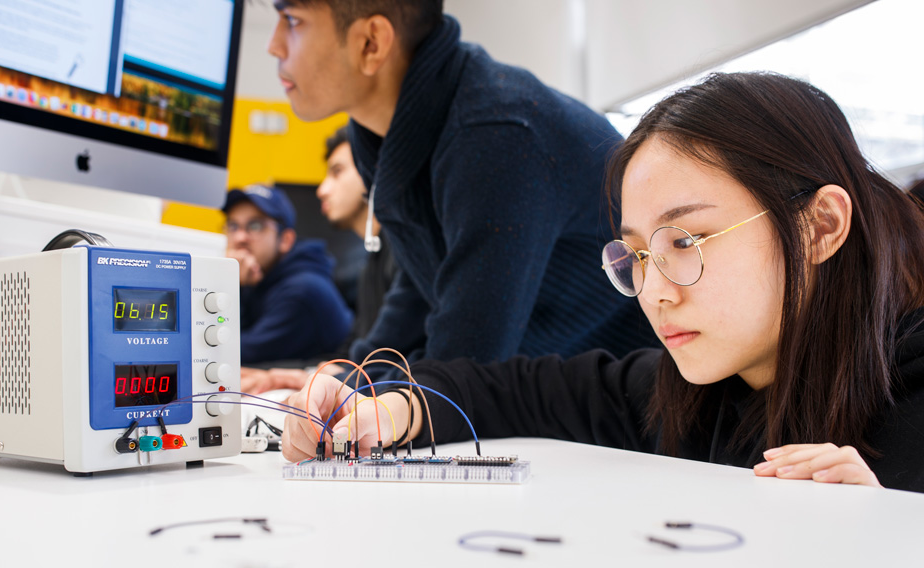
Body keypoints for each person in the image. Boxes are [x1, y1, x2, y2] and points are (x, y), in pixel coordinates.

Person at [281, 72, 924, 494]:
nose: (655, 291)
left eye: (687, 240)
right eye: (637, 255)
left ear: (820, 227)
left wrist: (885, 529)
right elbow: (511, 391)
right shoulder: (692, 393)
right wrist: (380, 408)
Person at [267, 1, 658, 380]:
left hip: (636, 404)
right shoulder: (383, 131)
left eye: (292, 19)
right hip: (548, 392)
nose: (274, 45)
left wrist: (349, 392)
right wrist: (345, 377)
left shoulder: (495, 132)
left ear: (371, 42)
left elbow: (464, 365)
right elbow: (427, 280)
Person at [238, 127, 426, 393]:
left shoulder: (405, 251)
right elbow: (350, 357)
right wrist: (288, 375)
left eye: (337, 172)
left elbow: (386, 357)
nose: (321, 190)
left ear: (374, 170)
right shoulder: (371, 262)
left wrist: (297, 377)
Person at [223, 185, 353, 364]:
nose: (239, 238)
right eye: (233, 226)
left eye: (255, 225)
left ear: (286, 240)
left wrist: (229, 286)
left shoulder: (302, 291)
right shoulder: (256, 277)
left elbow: (233, 355)